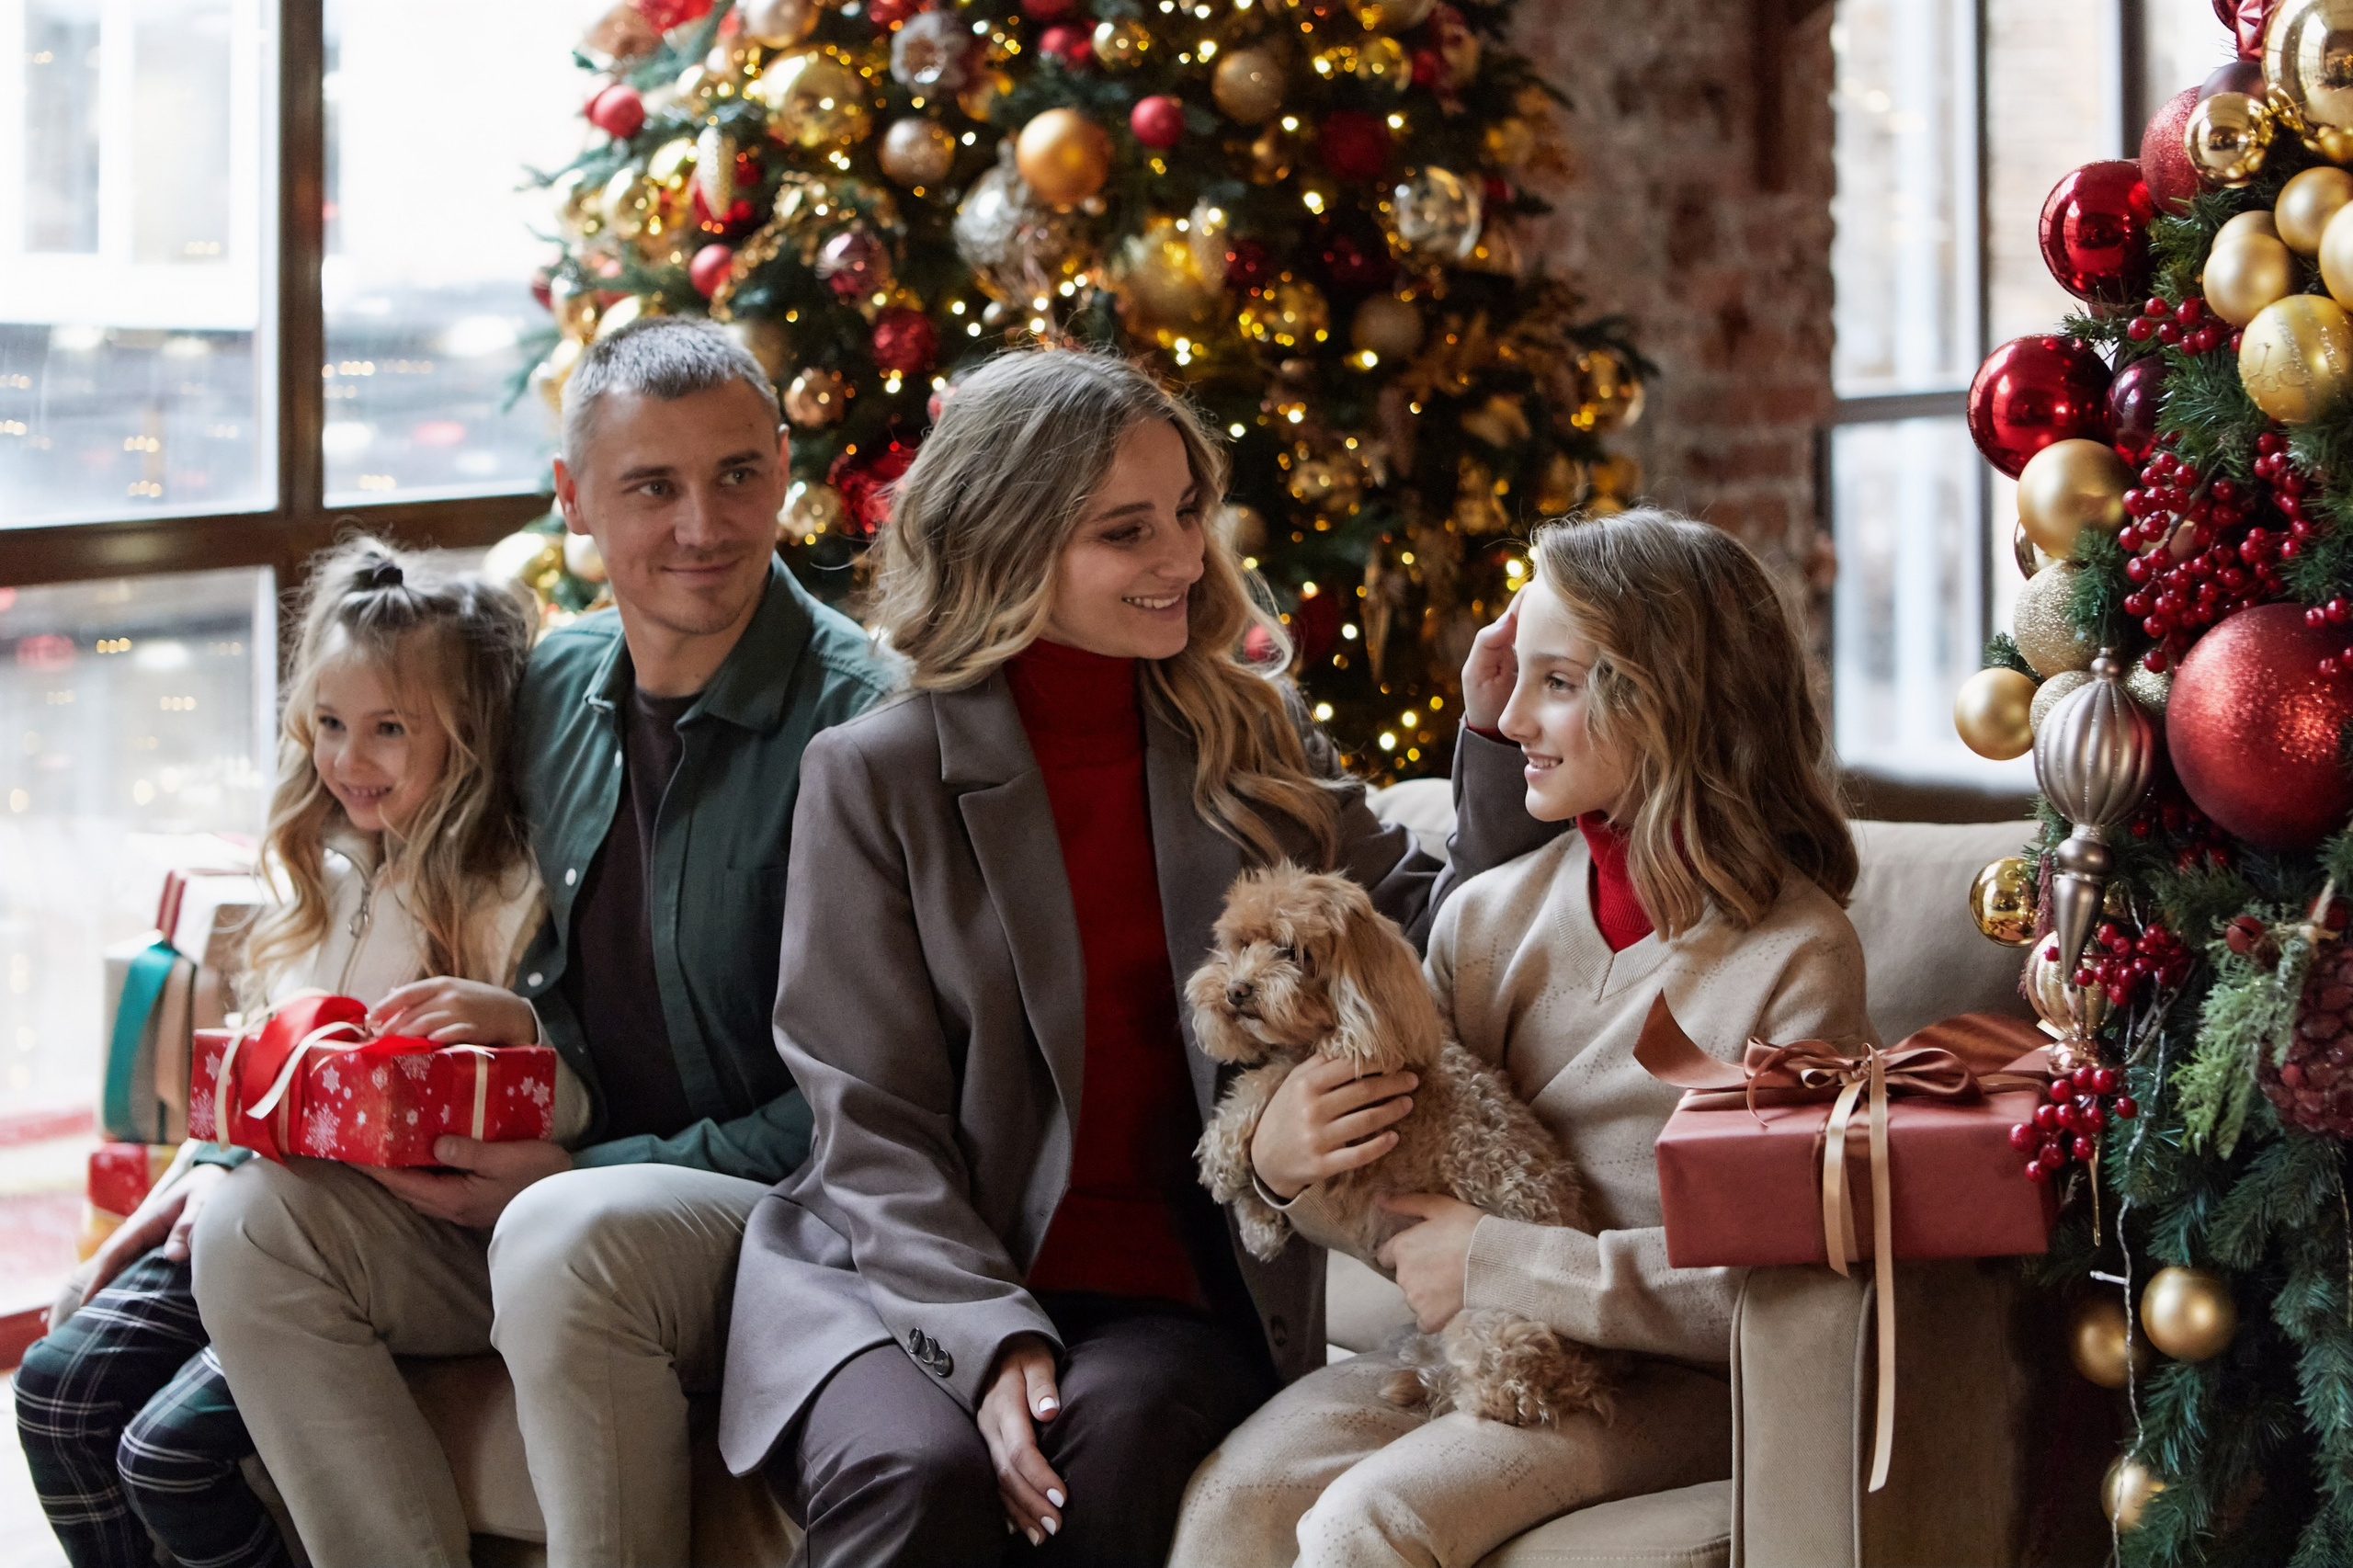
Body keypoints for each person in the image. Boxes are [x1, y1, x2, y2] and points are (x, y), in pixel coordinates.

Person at [714, 347, 1550, 1568]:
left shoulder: (1247, 727)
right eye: (1126, 531)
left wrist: (1490, 732)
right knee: (919, 1472)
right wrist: (996, 1340)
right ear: (1008, 542)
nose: (1180, 560)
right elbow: (871, 1122)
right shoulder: (874, 772)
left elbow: (1440, 938)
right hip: (897, 1272)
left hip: (1166, 1288)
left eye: (1189, 513)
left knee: (1115, 1447)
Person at [192, 317, 895, 1566]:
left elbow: (876, 1104)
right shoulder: (555, 689)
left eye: (738, 473)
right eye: (651, 486)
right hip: (551, 1179)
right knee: (253, 1228)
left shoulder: (869, 725)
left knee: (561, 1233)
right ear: (574, 498)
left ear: (785, 466)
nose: (703, 524)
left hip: (776, 1211)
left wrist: (577, 1170)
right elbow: (414, 836)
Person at [1168, 506, 1873, 1566]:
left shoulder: (1795, 959)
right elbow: (1404, 1201)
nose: (1511, 719)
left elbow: (1772, 1280)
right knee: (1233, 1499)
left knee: (1367, 1523)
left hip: (1663, 1380)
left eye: (1557, 681)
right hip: (1461, 1343)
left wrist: (1500, 1260)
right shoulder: (1488, 918)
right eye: (1514, 677)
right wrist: (1283, 1171)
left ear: (1668, 701)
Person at [17, 538, 553, 1568]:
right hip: (248, 1202)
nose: (349, 760)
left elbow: (494, 1114)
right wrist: (190, 1180)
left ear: (471, 729)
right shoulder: (321, 875)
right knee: (53, 1386)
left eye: (390, 729)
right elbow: (251, 1085)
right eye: (331, 725)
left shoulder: (502, 896)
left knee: (168, 1456)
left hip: (386, 1244)